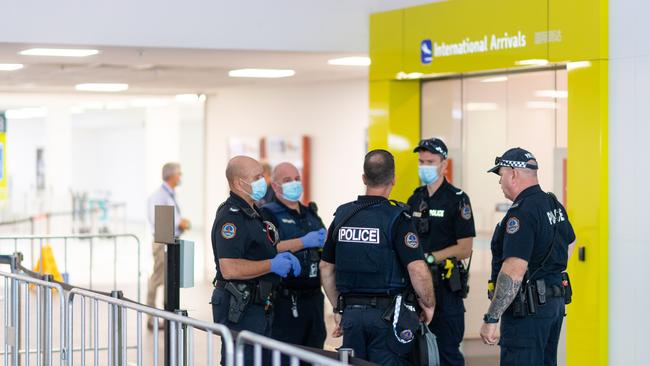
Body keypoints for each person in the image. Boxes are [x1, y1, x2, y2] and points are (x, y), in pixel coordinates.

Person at [320, 149, 435, 366]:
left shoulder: (343, 216)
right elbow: (418, 270)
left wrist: (339, 308)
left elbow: (326, 267)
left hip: (352, 316)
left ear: (364, 178)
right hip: (388, 318)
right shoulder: (398, 218)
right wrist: (428, 305)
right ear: (393, 179)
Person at [480, 148, 576, 366]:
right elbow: (570, 241)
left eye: (501, 174)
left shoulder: (522, 212)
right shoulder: (553, 204)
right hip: (553, 304)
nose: (500, 181)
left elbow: (514, 270)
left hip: (528, 311)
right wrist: (546, 271)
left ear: (513, 173)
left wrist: (491, 318)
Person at [210, 155, 301, 365]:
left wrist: (278, 256)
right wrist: (272, 265)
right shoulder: (231, 217)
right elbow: (229, 268)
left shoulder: (254, 212)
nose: (264, 181)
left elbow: (259, 250)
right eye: (257, 177)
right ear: (238, 183)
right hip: (240, 305)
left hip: (258, 303)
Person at [406, 138, 475, 366]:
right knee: (415, 352)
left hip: (445, 288)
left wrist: (431, 257)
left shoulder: (457, 199)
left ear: (444, 164)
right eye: (421, 161)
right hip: (416, 287)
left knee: (447, 352)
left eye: (430, 161)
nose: (424, 166)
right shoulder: (415, 199)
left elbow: (465, 248)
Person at [259, 162, 327, 350]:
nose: (294, 184)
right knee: (285, 356)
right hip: (285, 300)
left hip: (314, 299)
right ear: (275, 186)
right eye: (287, 180)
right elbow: (268, 249)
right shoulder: (268, 213)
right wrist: (303, 242)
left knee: (315, 353)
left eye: (297, 179)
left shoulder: (311, 213)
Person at [146, 162, 190, 330]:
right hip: (162, 242)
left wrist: (180, 223)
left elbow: (171, 217)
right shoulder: (159, 196)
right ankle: (151, 318)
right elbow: (159, 221)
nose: (180, 177)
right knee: (157, 279)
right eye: (179, 173)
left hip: (171, 241)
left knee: (167, 280)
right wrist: (180, 224)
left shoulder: (170, 194)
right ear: (171, 176)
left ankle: (168, 316)